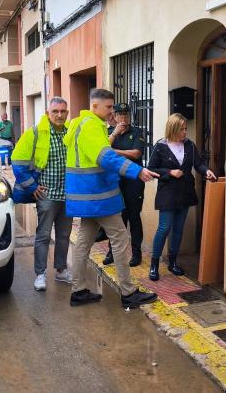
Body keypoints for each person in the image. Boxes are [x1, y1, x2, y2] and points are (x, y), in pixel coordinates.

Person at [64, 88, 159, 308]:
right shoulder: (90, 126)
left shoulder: (80, 124)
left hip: (87, 195)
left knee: (83, 242)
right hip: (98, 195)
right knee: (120, 238)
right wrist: (137, 171)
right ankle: (128, 292)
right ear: (94, 105)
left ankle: (78, 291)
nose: (111, 112)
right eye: (108, 107)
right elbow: (105, 157)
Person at [11, 98, 73, 291]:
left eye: (63, 111)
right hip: (46, 195)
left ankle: (61, 270)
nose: (59, 115)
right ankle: (40, 274)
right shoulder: (35, 133)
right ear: (48, 113)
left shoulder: (70, 133)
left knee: (64, 235)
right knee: (43, 235)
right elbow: (18, 162)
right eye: (55, 111)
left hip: (67, 195)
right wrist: (32, 187)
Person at [147, 113, 217, 281]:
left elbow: (198, 164)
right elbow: (151, 168)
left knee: (178, 229)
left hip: (185, 192)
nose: (185, 132)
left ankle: (173, 263)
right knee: (164, 228)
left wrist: (206, 170)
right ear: (173, 128)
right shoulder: (160, 146)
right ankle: (154, 265)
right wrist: (170, 172)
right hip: (167, 193)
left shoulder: (190, 146)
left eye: (186, 128)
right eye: (182, 129)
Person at [100, 103, 146, 267]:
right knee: (116, 219)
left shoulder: (137, 132)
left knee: (134, 217)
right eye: (121, 115)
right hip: (116, 182)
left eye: (127, 115)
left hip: (134, 182)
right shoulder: (109, 134)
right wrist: (114, 136)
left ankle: (136, 253)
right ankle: (112, 252)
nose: (124, 118)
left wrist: (115, 152)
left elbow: (136, 153)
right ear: (115, 116)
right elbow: (102, 151)